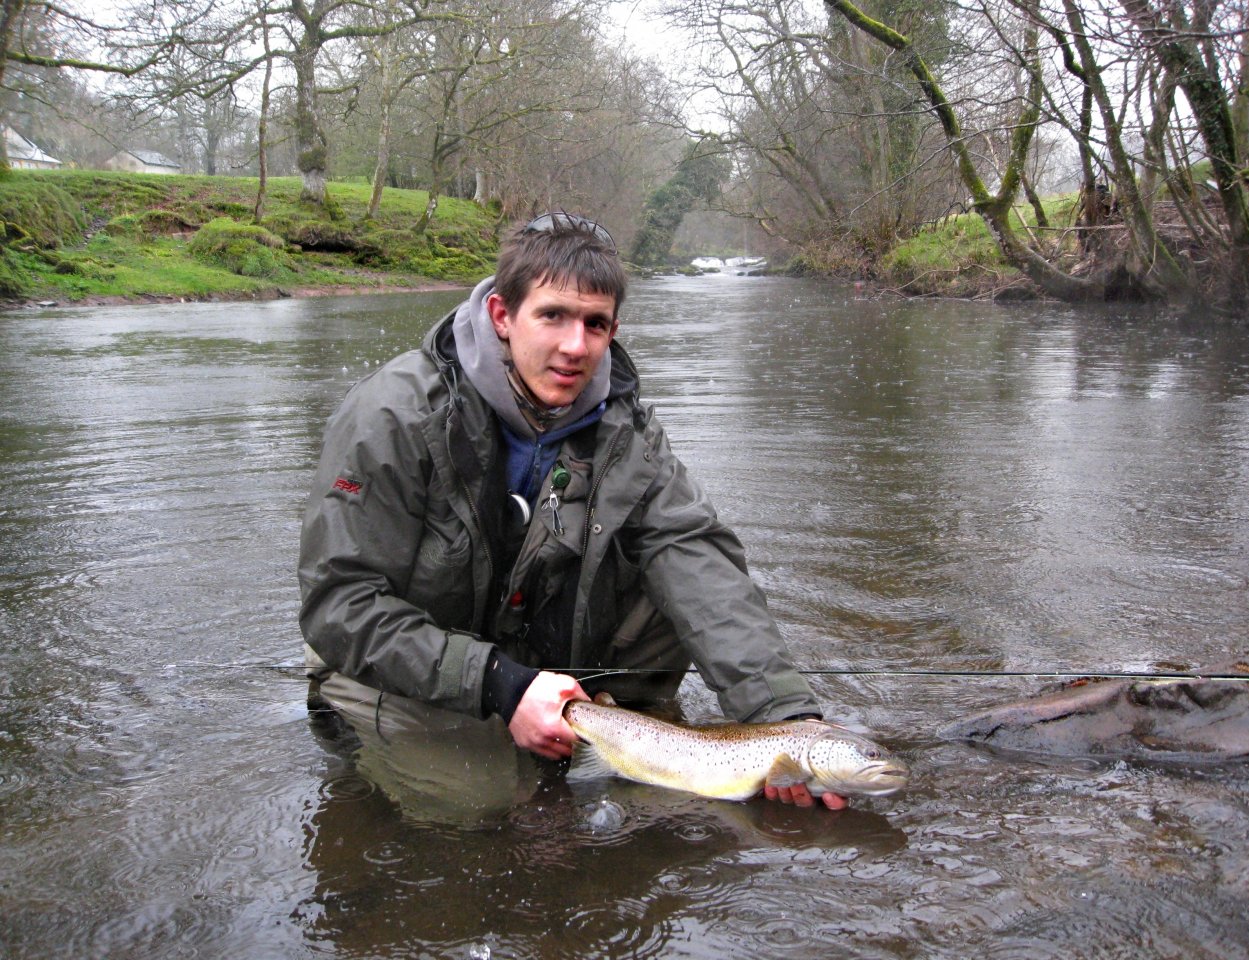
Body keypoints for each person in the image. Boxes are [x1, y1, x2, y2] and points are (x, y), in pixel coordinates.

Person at [298, 213, 848, 811]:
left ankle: (627, 735)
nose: (574, 346)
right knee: (481, 804)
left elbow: (695, 558)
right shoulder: (391, 416)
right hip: (410, 659)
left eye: (595, 324)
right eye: (552, 315)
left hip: (535, 651)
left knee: (671, 576)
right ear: (503, 316)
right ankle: (352, 731)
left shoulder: (625, 427)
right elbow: (339, 603)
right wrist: (499, 684)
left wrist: (785, 719)